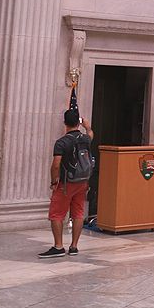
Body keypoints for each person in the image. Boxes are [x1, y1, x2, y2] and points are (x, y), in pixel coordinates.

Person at [39, 108, 94, 257]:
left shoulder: (62, 143)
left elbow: (56, 164)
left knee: (56, 214)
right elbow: (90, 134)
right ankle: (74, 246)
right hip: (83, 182)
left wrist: (53, 181)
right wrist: (87, 126)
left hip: (66, 183)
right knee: (78, 213)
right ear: (78, 122)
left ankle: (58, 246)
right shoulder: (85, 139)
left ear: (65, 123)